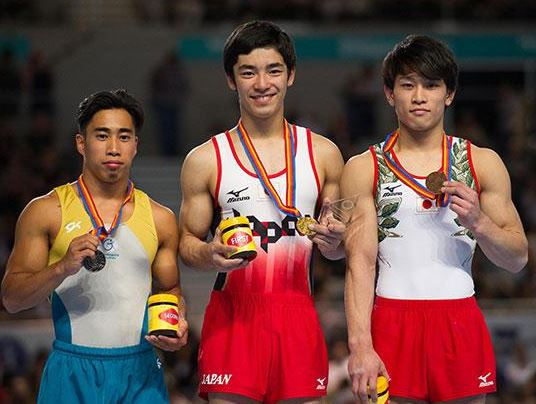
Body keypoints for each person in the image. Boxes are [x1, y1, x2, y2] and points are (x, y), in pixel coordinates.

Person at [341, 35, 528, 404]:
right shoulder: (364, 168)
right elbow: (359, 263)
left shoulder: (482, 163)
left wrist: (480, 222)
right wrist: (360, 345)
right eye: (407, 85)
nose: (419, 96)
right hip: (390, 324)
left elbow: (517, 259)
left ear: (450, 94)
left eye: (431, 85)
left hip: (458, 322)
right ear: (389, 94)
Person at [178, 20, 345, 403]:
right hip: (234, 318)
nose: (262, 83)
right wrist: (207, 253)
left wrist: (336, 241)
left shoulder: (323, 155)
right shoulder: (205, 160)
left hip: (298, 312)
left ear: (291, 76)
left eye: (273, 70)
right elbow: (186, 244)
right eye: (248, 72)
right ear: (231, 80)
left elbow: (334, 247)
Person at [1, 89, 188, 403]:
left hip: (141, 372)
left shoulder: (161, 218)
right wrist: (61, 268)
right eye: (102, 136)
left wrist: (176, 322)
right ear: (80, 143)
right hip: (72, 371)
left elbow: (170, 289)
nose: (114, 148)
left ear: (135, 146)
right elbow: (12, 299)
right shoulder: (46, 211)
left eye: (124, 137)